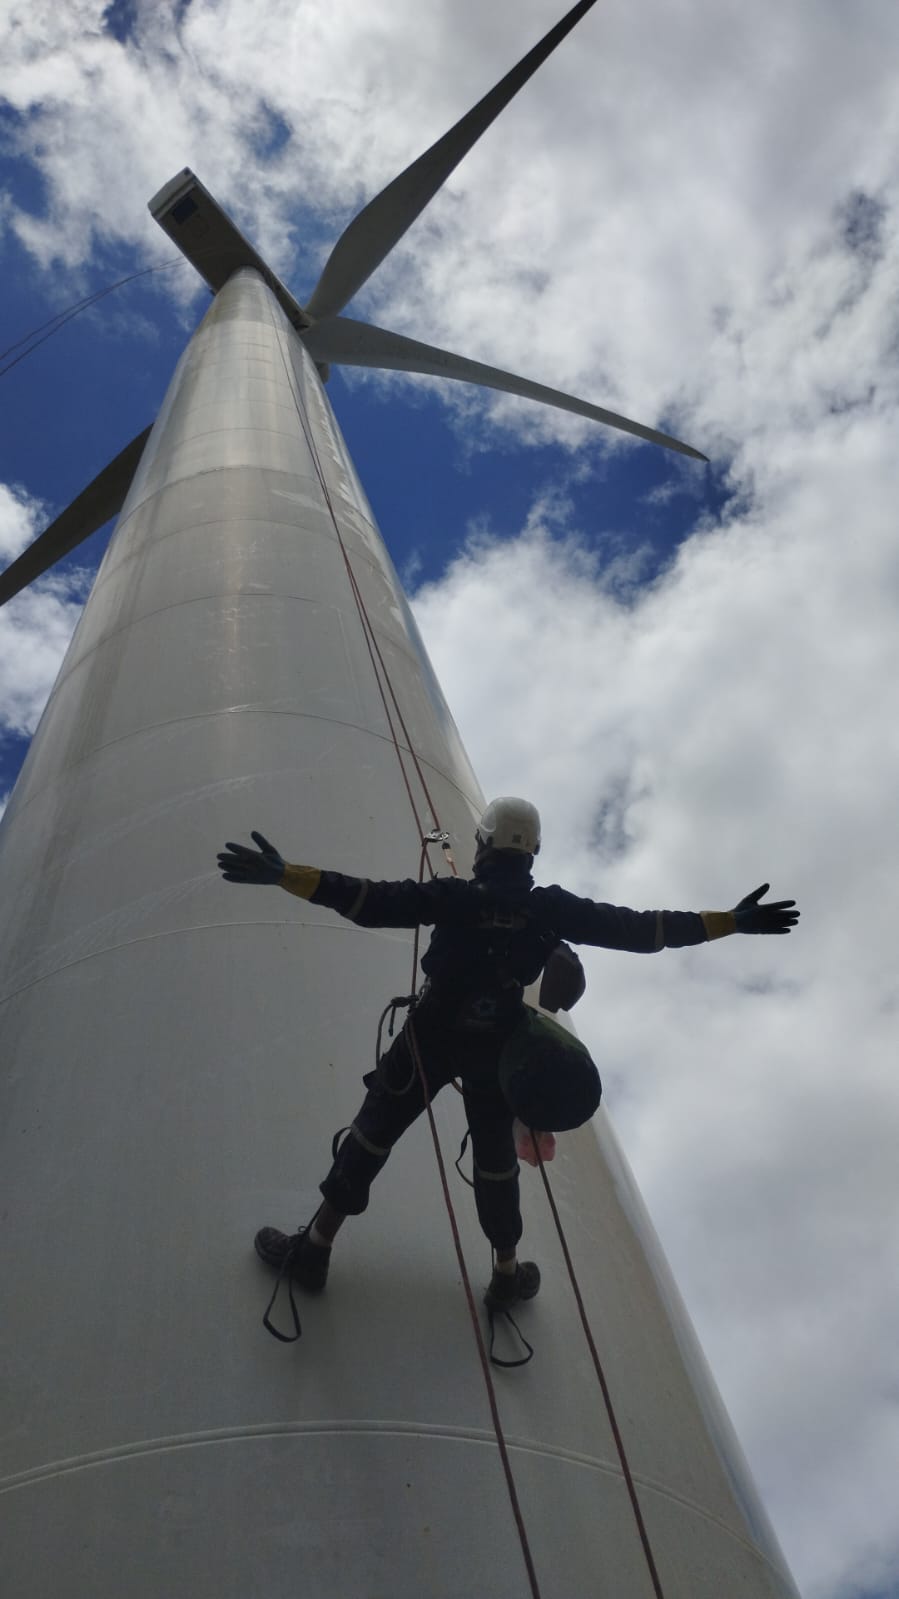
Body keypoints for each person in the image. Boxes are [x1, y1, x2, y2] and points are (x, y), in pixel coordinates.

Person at [217, 797, 799, 1316]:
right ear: (533, 853)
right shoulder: (552, 910)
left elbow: (370, 900)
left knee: (374, 1131)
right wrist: (730, 923)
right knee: (495, 1163)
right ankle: (504, 1274)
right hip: (496, 1050)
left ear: (483, 846)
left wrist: (286, 876)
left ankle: (316, 1246)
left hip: (432, 1032)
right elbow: (644, 931)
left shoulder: (456, 897)